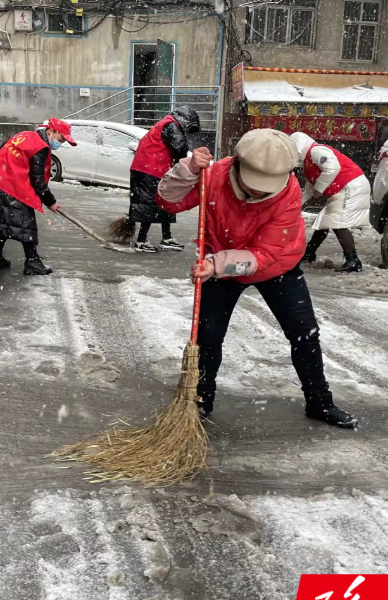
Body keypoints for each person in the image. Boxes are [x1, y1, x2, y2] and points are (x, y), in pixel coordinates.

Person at [156, 129, 358, 429]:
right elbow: (168, 201)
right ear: (237, 164)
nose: (259, 193)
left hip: (276, 266)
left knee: (304, 333)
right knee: (208, 338)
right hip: (218, 264)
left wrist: (217, 265)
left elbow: (265, 253)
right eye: (254, 185)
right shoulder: (214, 175)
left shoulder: (288, 192)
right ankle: (199, 401)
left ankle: (319, 401)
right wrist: (187, 170)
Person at [0, 118, 76, 275]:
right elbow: (37, 180)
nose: (61, 143)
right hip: (7, 186)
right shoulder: (40, 147)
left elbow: (3, 149)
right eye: (61, 139)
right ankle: (32, 262)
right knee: (25, 223)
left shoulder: (25, 135)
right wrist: (50, 202)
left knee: (6, 221)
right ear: (51, 131)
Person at [289, 132, 371, 272]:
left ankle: (353, 261)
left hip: (350, 185)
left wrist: (319, 189)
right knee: (324, 220)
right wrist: (296, 204)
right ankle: (309, 253)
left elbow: (332, 168)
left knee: (338, 223)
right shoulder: (308, 160)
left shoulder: (316, 150)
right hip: (343, 187)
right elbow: (311, 186)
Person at [127, 107, 201, 252]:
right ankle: (141, 241)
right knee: (150, 204)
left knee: (166, 200)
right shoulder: (171, 124)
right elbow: (180, 148)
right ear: (186, 120)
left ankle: (166, 238)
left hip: (151, 169)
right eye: (188, 128)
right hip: (150, 170)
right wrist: (186, 165)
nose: (186, 131)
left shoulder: (166, 123)